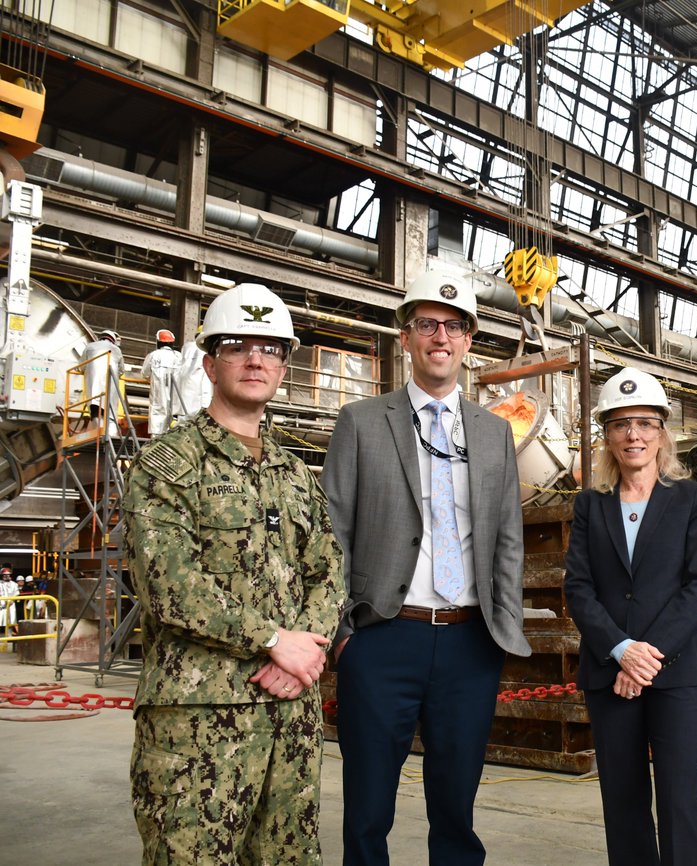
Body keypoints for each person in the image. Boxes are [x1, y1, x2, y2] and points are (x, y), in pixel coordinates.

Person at [122, 282, 344, 864]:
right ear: (209, 361)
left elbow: (329, 572)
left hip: (290, 714)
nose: (255, 358)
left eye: (270, 348)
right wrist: (274, 642)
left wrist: (305, 654)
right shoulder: (168, 463)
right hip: (198, 721)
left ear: (283, 365)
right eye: (237, 345)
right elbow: (170, 585)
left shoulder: (296, 474)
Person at [323, 269, 531, 866]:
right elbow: (332, 532)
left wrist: (502, 628)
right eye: (427, 325)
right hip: (384, 636)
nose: (441, 336)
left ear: (468, 342)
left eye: (454, 326)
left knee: (456, 809)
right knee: (367, 810)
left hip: (469, 643)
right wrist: (344, 638)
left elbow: (507, 540)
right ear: (407, 337)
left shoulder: (494, 433)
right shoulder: (361, 422)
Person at [563, 367, 697, 866]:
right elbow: (579, 588)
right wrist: (621, 651)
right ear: (606, 435)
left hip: (675, 676)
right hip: (610, 673)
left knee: (679, 799)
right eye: (621, 423)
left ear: (662, 432)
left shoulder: (693, 499)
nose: (634, 434)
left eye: (646, 423)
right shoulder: (590, 505)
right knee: (623, 801)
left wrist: (645, 658)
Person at [81, 329, 124, 436]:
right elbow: (121, 370)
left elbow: (81, 366)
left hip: (93, 383)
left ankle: (100, 432)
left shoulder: (90, 346)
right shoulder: (116, 350)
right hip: (111, 383)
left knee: (95, 407)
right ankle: (111, 435)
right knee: (110, 412)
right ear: (113, 340)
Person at [141, 328, 182, 436]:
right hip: (176, 397)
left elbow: (145, 373)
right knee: (174, 416)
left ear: (158, 342)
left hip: (158, 394)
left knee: (157, 415)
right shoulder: (178, 357)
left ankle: (156, 441)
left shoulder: (153, 355)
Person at [175, 324, 213, 421]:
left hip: (184, 400)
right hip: (201, 401)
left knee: (183, 427)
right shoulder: (208, 350)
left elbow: (178, 373)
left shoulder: (186, 348)